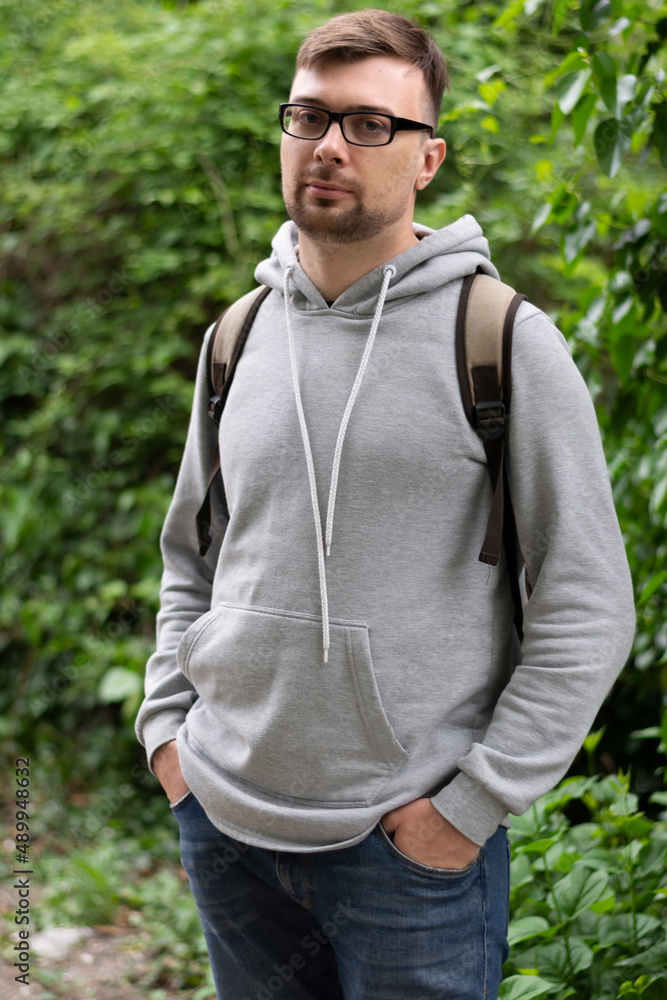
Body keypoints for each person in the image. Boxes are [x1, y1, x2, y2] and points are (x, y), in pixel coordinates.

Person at [135, 10, 635, 999]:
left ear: (427, 158)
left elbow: (588, 605)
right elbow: (191, 558)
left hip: (405, 857)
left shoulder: (497, 338)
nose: (328, 145)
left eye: (370, 124)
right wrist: (167, 740)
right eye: (308, 115)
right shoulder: (236, 337)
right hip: (224, 820)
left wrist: (469, 805)